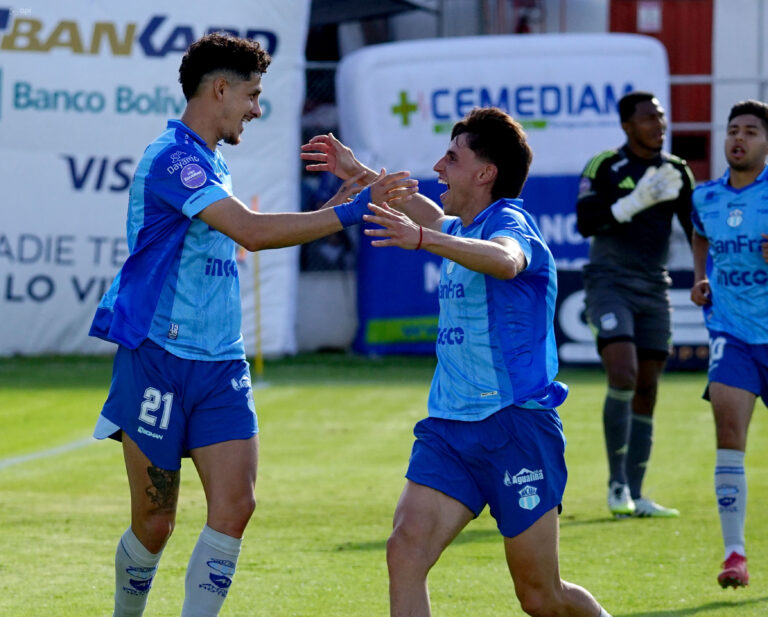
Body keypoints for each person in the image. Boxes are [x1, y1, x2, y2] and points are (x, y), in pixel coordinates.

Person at [89, 33, 417, 617]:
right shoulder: (173, 158)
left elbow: (241, 235)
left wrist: (328, 210)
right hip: (158, 359)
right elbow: (252, 232)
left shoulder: (211, 160)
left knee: (236, 507)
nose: (257, 109)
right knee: (156, 522)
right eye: (252, 95)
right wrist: (350, 211)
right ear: (220, 89)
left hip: (220, 363)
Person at [302, 108, 611, 617]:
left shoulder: (510, 223)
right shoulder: (464, 226)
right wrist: (356, 171)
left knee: (541, 597)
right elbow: (421, 211)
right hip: (450, 429)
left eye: (452, 157)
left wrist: (424, 239)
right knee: (405, 551)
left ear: (485, 173)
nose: (438, 166)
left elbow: (505, 260)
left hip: (515, 426)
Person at [576, 91, 695, 518]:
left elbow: (695, 229)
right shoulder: (604, 165)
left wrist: (708, 276)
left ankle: (638, 493)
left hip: (654, 287)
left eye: (660, 117)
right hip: (609, 281)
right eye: (648, 118)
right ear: (627, 125)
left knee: (647, 387)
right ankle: (616, 485)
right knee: (623, 373)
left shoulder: (676, 171)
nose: (658, 125)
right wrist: (633, 203)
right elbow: (585, 222)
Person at [690, 99, 768, 589]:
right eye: (733, 129)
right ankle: (734, 553)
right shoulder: (706, 197)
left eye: (751, 131)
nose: (739, 138)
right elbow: (700, 234)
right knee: (729, 435)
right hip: (731, 335)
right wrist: (701, 276)